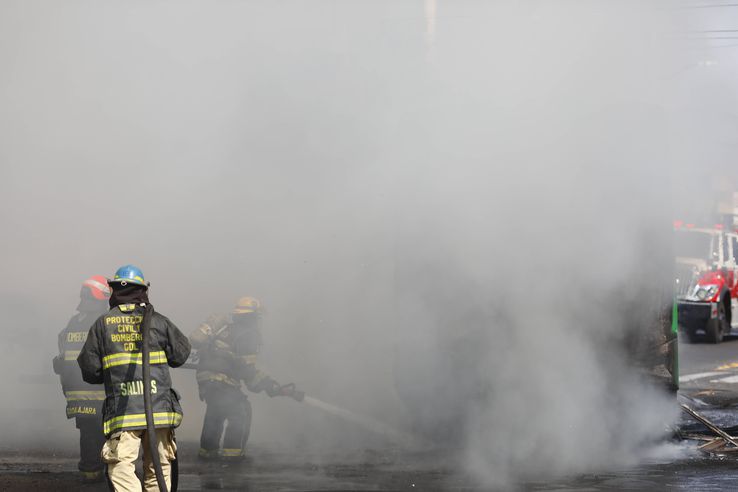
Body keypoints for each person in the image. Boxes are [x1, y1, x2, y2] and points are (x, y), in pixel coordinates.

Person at [77, 265, 191, 492]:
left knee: (121, 466)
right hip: (158, 411)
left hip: (123, 412)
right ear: (142, 290)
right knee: (159, 467)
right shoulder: (158, 321)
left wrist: (112, 375)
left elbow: (90, 371)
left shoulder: (102, 324)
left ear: (114, 291)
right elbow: (180, 355)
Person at [190, 296, 301, 461]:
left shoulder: (226, 329)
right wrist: (269, 385)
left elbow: (241, 367)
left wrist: (269, 385)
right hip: (222, 380)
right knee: (240, 410)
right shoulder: (248, 335)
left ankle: (207, 452)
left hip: (206, 379)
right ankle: (233, 456)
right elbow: (248, 371)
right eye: (257, 317)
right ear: (252, 317)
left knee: (216, 410)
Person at [52, 275, 111, 482]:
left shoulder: (73, 323)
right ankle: (113, 475)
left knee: (87, 433)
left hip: (76, 394)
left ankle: (90, 473)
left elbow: (62, 357)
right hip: (101, 393)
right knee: (108, 434)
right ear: (103, 297)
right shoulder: (105, 321)